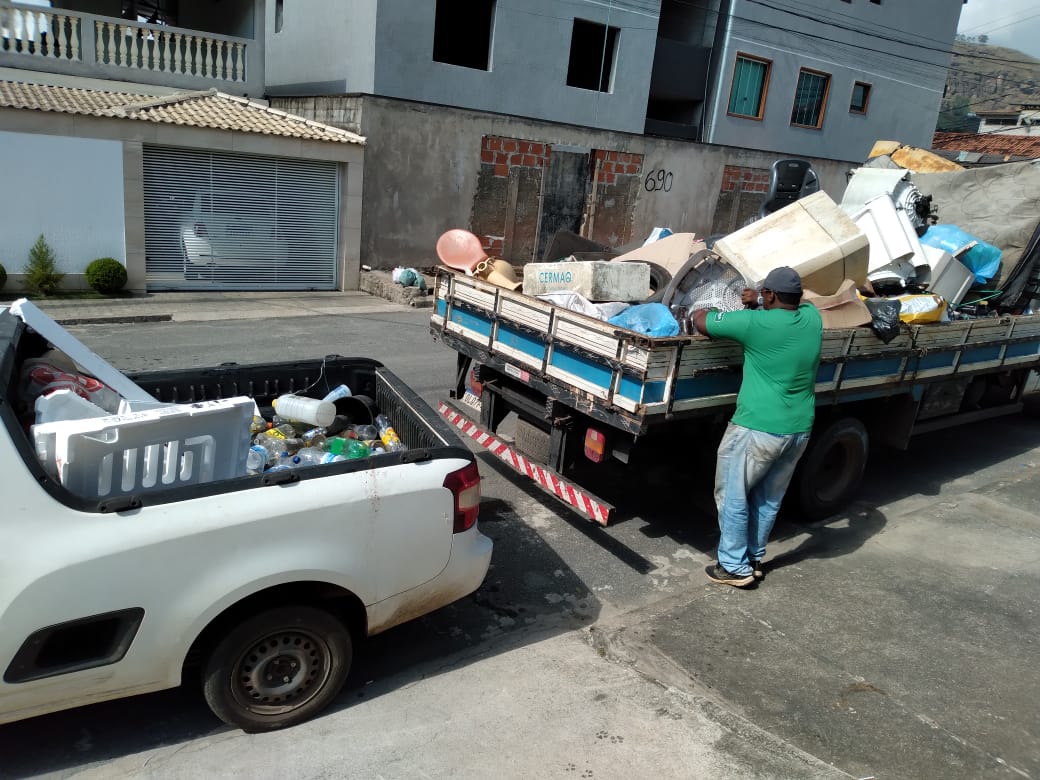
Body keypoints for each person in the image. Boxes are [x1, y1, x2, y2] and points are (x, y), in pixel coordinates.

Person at [689, 266, 822, 587]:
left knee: (733, 496)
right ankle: (753, 559)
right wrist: (760, 301)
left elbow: (702, 321)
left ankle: (733, 567)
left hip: (757, 427)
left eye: (764, 292)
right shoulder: (812, 319)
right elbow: (803, 304)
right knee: (768, 498)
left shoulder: (754, 324)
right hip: (798, 428)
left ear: (771, 295)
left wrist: (707, 307)